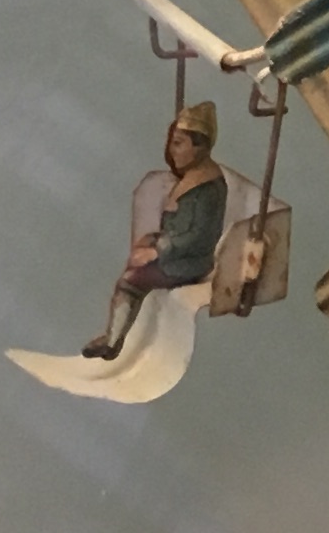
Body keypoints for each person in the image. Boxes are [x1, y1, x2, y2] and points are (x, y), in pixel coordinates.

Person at [82, 97, 225, 359]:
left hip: (190, 262)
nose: (172, 151)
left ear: (200, 147)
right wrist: (152, 240)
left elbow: (196, 237)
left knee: (130, 282)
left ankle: (113, 342)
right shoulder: (195, 178)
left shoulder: (205, 189)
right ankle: (114, 336)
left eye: (179, 144)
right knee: (137, 258)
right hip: (179, 253)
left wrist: (157, 250)